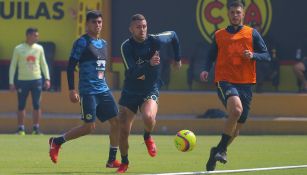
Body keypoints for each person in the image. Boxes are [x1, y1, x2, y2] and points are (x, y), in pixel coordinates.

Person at [199, 1, 271, 171]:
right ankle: (222, 150)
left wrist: (253, 55)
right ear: (228, 14)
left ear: (243, 14)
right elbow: (210, 56)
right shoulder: (219, 35)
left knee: (236, 131)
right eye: (232, 12)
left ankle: (216, 151)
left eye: (238, 12)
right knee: (236, 111)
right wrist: (205, 69)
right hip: (225, 80)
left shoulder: (252, 33)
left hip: (246, 83)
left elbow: (266, 55)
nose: (235, 15)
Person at [48, 11, 120, 168]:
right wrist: (72, 89)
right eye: (94, 22)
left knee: (116, 123)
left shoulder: (104, 44)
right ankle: (57, 141)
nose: (98, 25)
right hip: (88, 92)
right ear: (87, 24)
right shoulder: (81, 42)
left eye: (100, 22)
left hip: (104, 90)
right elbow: (70, 66)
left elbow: (100, 69)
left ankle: (111, 160)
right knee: (89, 127)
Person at [116, 14, 182, 173]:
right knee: (123, 131)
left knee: (148, 117)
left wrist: (177, 58)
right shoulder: (126, 46)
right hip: (130, 90)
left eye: (144, 26)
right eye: (138, 27)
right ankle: (124, 162)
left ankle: (147, 136)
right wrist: (149, 64)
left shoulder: (155, 40)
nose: (142, 30)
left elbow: (173, 35)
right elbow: (132, 72)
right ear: (131, 29)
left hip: (150, 87)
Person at [9, 27, 51, 135]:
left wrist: (47, 78)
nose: (37, 37)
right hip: (22, 81)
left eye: (37, 35)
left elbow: (43, 63)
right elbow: (13, 65)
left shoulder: (39, 48)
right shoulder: (18, 48)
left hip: (37, 80)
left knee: (36, 105)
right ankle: (20, 129)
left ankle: (36, 128)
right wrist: (11, 82)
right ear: (28, 35)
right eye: (35, 35)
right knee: (21, 105)